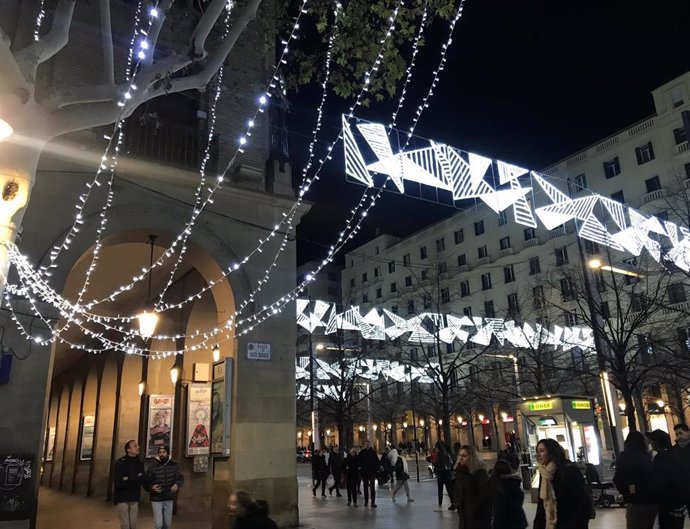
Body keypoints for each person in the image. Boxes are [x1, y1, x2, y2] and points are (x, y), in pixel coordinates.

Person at [533, 438, 591, 529]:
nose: (538, 455)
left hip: (568, 523)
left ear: (551, 452)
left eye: (542, 451)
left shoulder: (568, 470)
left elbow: (583, 501)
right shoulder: (544, 474)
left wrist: (577, 524)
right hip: (551, 524)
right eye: (537, 452)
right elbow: (542, 504)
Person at [613, 430, 656, 529]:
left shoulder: (626, 457)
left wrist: (628, 492)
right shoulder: (647, 456)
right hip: (651, 501)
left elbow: (618, 478)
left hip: (636, 501)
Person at [647, 429, 690, 529]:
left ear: (658, 442)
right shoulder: (674, 454)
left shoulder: (661, 459)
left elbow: (660, 482)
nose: (651, 443)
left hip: (668, 505)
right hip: (679, 504)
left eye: (652, 441)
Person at [145, 445, 184, 529]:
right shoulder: (153, 466)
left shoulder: (174, 465)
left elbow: (180, 477)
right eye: (160, 452)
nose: (161, 454)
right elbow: (146, 481)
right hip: (156, 499)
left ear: (168, 453)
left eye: (163, 452)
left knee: (167, 524)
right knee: (158, 524)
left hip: (169, 497)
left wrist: (177, 484)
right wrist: (151, 487)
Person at [454, 444, 491, 529]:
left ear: (471, 457)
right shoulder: (459, 472)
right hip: (464, 515)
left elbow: (485, 495)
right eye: (460, 455)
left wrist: (474, 508)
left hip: (478, 516)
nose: (461, 458)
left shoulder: (480, 473)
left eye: (464, 456)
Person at [113, 439, 145, 529]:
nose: (138, 447)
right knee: (125, 525)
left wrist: (128, 479)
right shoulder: (120, 463)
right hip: (122, 498)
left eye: (137, 445)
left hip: (134, 497)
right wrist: (135, 479)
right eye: (135, 446)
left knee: (133, 525)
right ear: (128, 450)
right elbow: (118, 482)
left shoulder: (139, 463)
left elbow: (142, 479)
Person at [490, 459, 527, 529]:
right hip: (518, 521)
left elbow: (499, 511)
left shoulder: (497, 487)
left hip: (504, 524)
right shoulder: (515, 483)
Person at [433, 441, 456, 511]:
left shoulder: (440, 454)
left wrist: (433, 462)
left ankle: (440, 505)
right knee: (450, 490)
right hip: (448, 473)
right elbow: (451, 464)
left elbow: (438, 465)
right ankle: (454, 504)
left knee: (440, 490)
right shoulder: (447, 454)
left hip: (441, 473)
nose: (435, 449)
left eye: (436, 447)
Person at [674, 424, 690, 521]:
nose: (678, 436)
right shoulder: (676, 450)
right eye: (676, 434)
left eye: (680, 433)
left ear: (688, 432)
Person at [358, 440, 379, 508]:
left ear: (370, 445)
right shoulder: (362, 452)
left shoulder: (373, 452)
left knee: (372, 487)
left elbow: (377, 461)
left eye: (368, 444)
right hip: (364, 473)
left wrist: (377, 468)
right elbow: (359, 462)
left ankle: (373, 501)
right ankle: (366, 501)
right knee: (365, 487)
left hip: (372, 472)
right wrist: (360, 469)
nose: (367, 445)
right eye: (366, 444)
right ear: (364, 445)